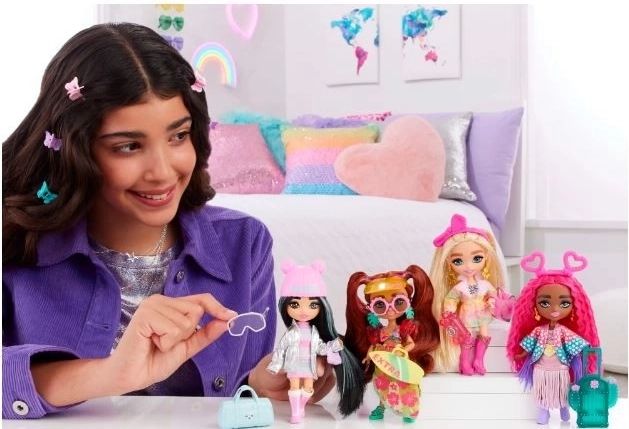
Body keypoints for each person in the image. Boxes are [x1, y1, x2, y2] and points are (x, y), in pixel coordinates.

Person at [2, 22, 334, 420]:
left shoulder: (245, 244)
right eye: (128, 146)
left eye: (178, 136)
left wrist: (263, 385)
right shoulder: (17, 242)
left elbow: (239, 391)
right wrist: (109, 374)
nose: (162, 171)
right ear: (76, 149)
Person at [506, 250, 599, 425]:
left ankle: (564, 409)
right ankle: (544, 410)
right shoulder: (538, 331)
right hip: (541, 368)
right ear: (534, 305)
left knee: (561, 390)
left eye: (564, 303)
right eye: (545, 303)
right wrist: (521, 354)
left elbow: (576, 344)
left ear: (573, 305)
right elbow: (529, 344)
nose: (555, 309)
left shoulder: (564, 332)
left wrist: (585, 351)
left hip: (560, 367)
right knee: (542, 390)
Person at [266, 259, 365, 423]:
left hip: (309, 365)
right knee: (294, 387)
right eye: (295, 304)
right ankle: (295, 412)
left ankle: (300, 407)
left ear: (322, 307)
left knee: (308, 388)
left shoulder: (314, 333)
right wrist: (276, 365)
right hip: (294, 364)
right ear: (285, 305)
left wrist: (334, 345)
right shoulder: (291, 333)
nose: (304, 310)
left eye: (312, 305)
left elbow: (320, 348)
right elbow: (281, 348)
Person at [343, 265, 440, 423]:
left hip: (399, 363)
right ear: (371, 308)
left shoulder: (403, 329)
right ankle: (381, 407)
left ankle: (409, 411)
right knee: (383, 386)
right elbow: (373, 345)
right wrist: (369, 356)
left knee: (405, 385)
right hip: (383, 364)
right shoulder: (379, 332)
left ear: (408, 303)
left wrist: (403, 350)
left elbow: (410, 344)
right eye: (379, 305)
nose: (389, 310)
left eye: (398, 302)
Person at [430, 213, 505, 375]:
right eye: (458, 261)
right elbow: (451, 299)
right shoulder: (460, 287)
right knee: (467, 337)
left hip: (483, 313)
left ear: (486, 257)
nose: (469, 266)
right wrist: (449, 311)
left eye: (477, 258)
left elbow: (493, 294)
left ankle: (479, 360)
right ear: (449, 262)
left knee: (484, 334)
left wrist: (492, 301)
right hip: (466, 315)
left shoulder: (484, 284)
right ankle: (465, 363)